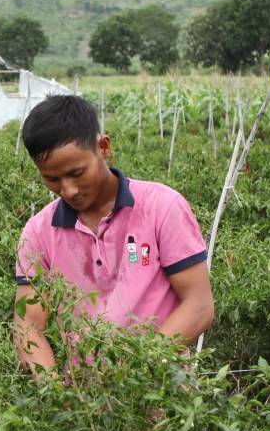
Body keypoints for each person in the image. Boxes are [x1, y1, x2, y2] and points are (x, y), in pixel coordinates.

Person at [13, 94, 214, 375]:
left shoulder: (161, 207)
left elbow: (199, 305)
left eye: (77, 173)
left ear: (103, 147)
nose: (68, 190)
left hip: (164, 398)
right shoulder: (38, 232)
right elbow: (29, 326)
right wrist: (54, 391)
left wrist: (136, 370)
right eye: (52, 179)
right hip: (84, 409)